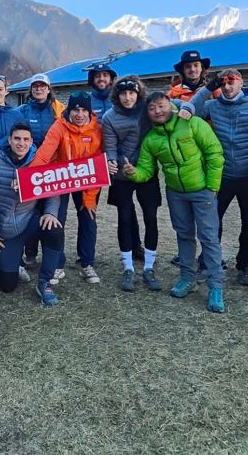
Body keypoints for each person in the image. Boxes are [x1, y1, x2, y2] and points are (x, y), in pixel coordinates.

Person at [123, 92, 227, 313]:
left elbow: (214, 152)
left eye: (161, 106)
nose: (158, 111)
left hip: (202, 191)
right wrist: (133, 172)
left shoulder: (192, 124)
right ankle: (187, 278)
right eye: (152, 108)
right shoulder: (151, 139)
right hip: (176, 193)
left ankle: (215, 286)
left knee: (209, 238)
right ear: (147, 113)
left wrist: (212, 187)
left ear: (170, 105)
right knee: (184, 234)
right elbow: (147, 169)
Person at [181, 68, 248, 286]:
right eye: (223, 83)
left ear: (241, 82)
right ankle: (208, 262)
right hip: (221, 174)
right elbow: (189, 109)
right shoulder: (212, 106)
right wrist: (208, 88)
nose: (227, 87)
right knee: (212, 221)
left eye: (231, 82)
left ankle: (245, 265)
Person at [0, 123, 63, 306]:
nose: (21, 143)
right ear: (9, 140)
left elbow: (53, 192)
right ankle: (8, 264)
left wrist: (50, 212)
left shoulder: (40, 162)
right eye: (17, 138)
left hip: (28, 220)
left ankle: (45, 282)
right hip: (3, 229)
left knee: (54, 229)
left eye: (26, 139)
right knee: (7, 286)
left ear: (32, 142)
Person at [31, 92, 104, 284]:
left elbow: (97, 165)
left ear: (89, 112)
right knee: (57, 219)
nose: (79, 114)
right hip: (61, 175)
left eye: (83, 110)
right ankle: (57, 264)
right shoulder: (59, 126)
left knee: (88, 217)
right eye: (75, 110)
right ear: (69, 111)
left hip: (87, 179)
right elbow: (44, 154)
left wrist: (89, 198)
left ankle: (87, 263)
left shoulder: (96, 129)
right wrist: (29, 178)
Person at [102, 76, 162, 291]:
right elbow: (110, 146)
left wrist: (187, 108)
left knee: (151, 216)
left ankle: (149, 266)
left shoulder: (147, 108)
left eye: (131, 93)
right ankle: (128, 267)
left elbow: (168, 107)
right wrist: (113, 162)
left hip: (146, 171)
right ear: (117, 95)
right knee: (125, 217)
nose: (128, 98)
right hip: (122, 175)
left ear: (138, 93)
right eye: (123, 93)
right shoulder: (110, 117)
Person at [16, 72, 66, 268]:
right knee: (31, 212)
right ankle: (30, 253)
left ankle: (54, 256)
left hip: (54, 169)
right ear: (31, 90)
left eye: (42, 86)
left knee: (54, 213)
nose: (39, 89)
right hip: (30, 167)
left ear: (48, 89)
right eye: (35, 86)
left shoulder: (59, 111)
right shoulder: (22, 111)